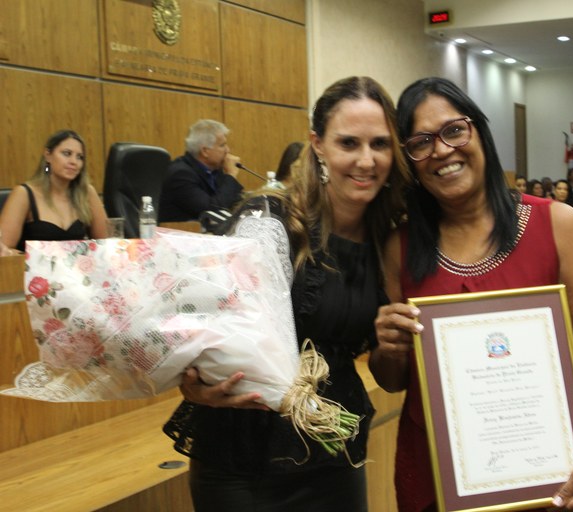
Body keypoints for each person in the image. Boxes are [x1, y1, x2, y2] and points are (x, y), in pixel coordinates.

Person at [369, 77, 573, 512]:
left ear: (480, 132)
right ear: (409, 160)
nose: (442, 151)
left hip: (543, 473)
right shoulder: (400, 248)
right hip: (433, 476)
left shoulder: (556, 225)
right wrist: (388, 347)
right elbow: (393, 380)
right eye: (421, 143)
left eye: (454, 130)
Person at [162, 76, 410, 511]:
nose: (366, 160)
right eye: (348, 143)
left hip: (333, 450)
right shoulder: (270, 222)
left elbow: (388, 375)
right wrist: (195, 383)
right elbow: (211, 331)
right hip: (246, 457)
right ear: (318, 144)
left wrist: (394, 345)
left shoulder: (387, 238)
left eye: (380, 144)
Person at [0, 129, 108, 251]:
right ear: (48, 155)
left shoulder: (87, 193)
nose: (74, 162)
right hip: (30, 264)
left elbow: (107, 246)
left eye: (80, 157)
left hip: (79, 264)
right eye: (67, 153)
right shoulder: (24, 194)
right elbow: (4, 251)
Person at [158, 119, 244, 222]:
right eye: (222, 145)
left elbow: (235, 201)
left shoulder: (215, 170)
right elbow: (212, 212)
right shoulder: (180, 174)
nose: (228, 150)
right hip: (180, 230)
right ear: (205, 151)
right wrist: (231, 175)